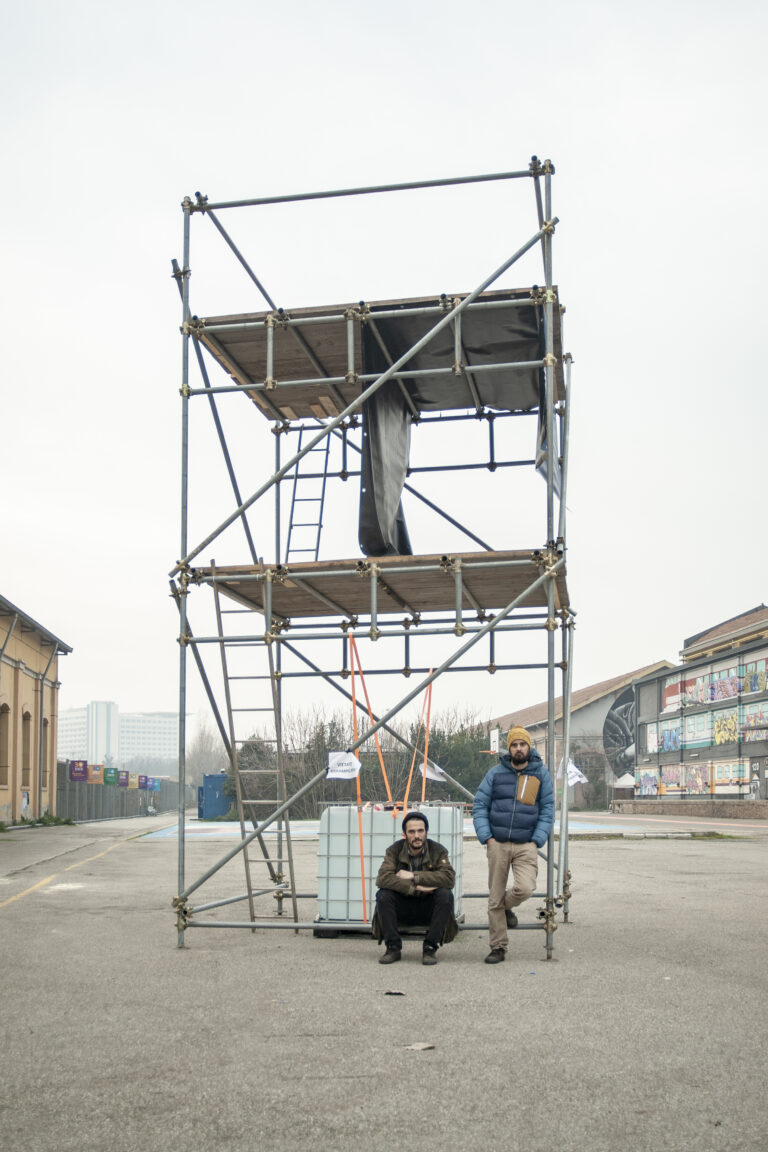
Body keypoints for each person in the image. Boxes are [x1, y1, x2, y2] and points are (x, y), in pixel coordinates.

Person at [473, 725, 554, 965]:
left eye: (522, 744)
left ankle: (505, 908)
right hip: (497, 843)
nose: (518, 749)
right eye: (514, 745)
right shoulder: (495, 774)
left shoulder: (541, 774)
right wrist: (487, 837)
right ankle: (498, 947)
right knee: (494, 896)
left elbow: (548, 809)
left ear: (529, 747)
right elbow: (480, 806)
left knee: (525, 889)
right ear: (509, 749)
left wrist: (536, 839)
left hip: (526, 844)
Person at [372, 810, 458, 966]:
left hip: (428, 908)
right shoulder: (394, 850)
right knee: (383, 895)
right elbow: (383, 878)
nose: (417, 836)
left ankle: (430, 947)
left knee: (445, 895)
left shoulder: (438, 850)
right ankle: (393, 948)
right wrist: (415, 888)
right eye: (411, 832)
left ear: (426, 832)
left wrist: (414, 876)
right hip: (403, 906)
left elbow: (448, 878)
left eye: (420, 831)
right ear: (405, 834)